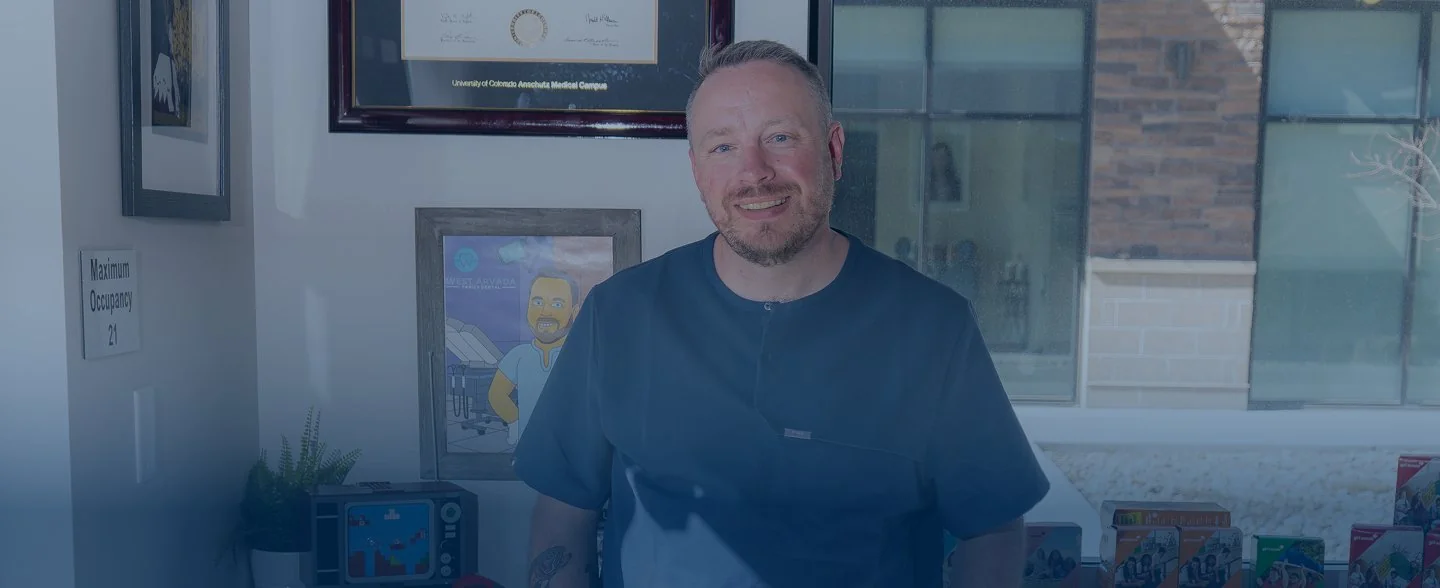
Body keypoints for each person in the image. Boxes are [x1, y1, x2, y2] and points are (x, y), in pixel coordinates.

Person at [513, 39, 1050, 588]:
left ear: (834, 150)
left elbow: (993, 529)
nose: (754, 172)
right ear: (698, 170)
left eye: (781, 137)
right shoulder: (619, 316)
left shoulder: (934, 327)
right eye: (722, 147)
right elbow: (562, 517)